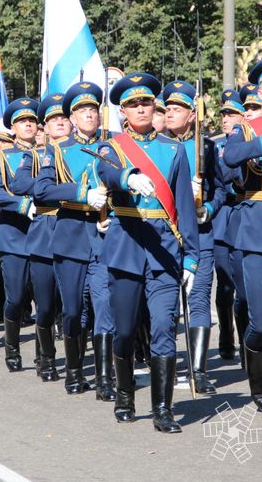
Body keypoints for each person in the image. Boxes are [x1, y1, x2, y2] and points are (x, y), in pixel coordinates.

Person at [96, 72, 199, 433]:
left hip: (165, 252)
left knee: (164, 329)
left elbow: (184, 207)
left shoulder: (174, 150)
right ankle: (125, 394)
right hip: (126, 246)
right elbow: (105, 171)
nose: (141, 108)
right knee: (124, 331)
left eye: (146, 102)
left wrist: (192, 256)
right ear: (123, 110)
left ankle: (162, 410)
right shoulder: (113, 146)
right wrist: (127, 179)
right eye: (133, 103)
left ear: (154, 106)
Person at [35, 82, 115, 398]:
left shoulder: (113, 147)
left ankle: (106, 378)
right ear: (71, 117)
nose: (89, 115)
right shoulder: (56, 151)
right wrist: (81, 194)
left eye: (93, 109)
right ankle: (73, 370)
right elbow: (42, 191)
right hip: (70, 238)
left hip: (106, 237)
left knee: (105, 305)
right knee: (73, 311)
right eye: (83, 111)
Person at [221, 54, 262, 413]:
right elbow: (231, 157)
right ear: (260, 90)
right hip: (259, 228)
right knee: (261, 322)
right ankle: (257, 380)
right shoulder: (247, 127)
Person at [162, 80, 226, 394]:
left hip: (199, 234)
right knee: (166, 306)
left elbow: (222, 189)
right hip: (164, 235)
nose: (170, 114)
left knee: (199, 298)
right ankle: (168, 363)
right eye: (168, 108)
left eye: (177, 109)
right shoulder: (157, 146)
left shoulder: (207, 146)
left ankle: (198, 371)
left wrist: (208, 208)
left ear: (192, 114)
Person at [12, 95, 71, 382]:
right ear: (44, 128)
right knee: (46, 304)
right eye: (52, 120)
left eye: (63, 117)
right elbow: (19, 183)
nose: (59, 122)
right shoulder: (34, 156)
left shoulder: (87, 152)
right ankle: (45, 358)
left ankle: (78, 364)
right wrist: (49, 187)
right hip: (46, 231)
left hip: (77, 230)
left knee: (74, 305)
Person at [0, 97, 39, 372]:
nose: (28, 124)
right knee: (16, 298)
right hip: (15, 235)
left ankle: (45, 355)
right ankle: (12, 348)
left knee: (47, 300)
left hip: (45, 234)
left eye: (32, 120)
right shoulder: (2, 156)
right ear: (13, 128)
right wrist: (21, 204)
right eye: (22, 121)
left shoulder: (50, 152)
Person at [211, 90, 245, 362]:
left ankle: (252, 343)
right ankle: (225, 335)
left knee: (248, 288)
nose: (226, 119)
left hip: (248, 215)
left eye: (232, 114)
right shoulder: (215, 146)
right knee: (225, 284)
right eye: (223, 114)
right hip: (224, 217)